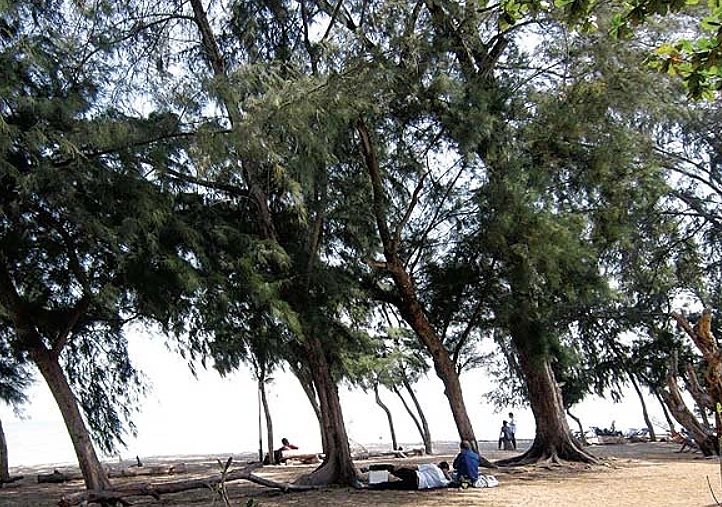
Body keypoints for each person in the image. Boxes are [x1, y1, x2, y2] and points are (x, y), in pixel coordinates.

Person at [366, 461, 451, 490]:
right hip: (416, 486)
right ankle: (370, 485)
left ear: (439, 465)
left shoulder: (433, 466)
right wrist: (447, 475)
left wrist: (402, 466)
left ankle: (371, 468)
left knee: (391, 468)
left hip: (414, 475)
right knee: (391, 485)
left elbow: (415, 467)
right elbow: (451, 482)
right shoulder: (443, 481)